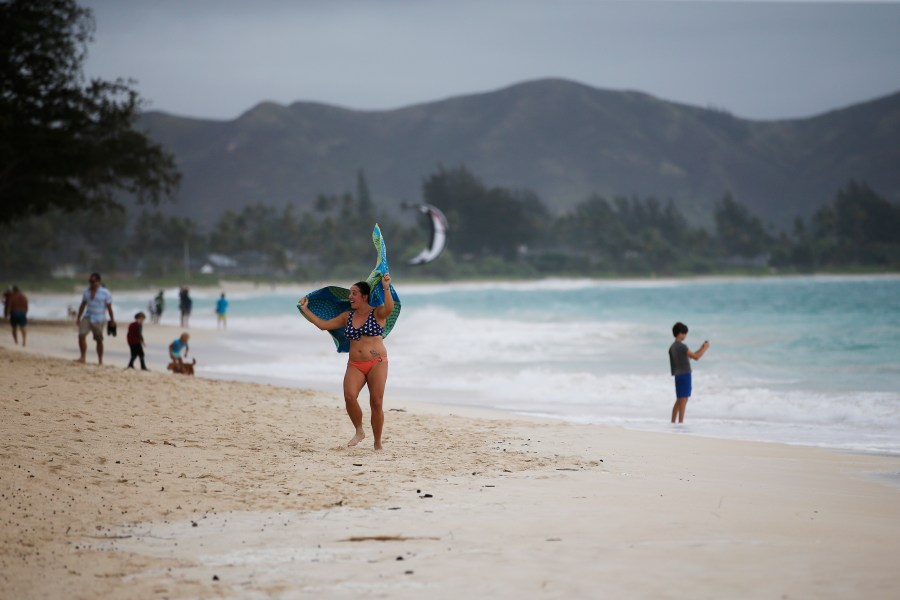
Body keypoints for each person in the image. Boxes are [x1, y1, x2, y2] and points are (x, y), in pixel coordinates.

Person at [298, 273, 394, 450]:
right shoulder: (347, 316)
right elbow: (323, 325)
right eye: (350, 293)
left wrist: (386, 287)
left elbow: (389, 308)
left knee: (377, 402)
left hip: (377, 362)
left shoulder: (377, 312)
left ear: (364, 296)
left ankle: (378, 442)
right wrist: (306, 310)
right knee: (349, 396)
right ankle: (359, 430)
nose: (350, 297)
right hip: (355, 364)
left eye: (354, 293)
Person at [668, 322, 710, 424]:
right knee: (683, 399)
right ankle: (681, 422)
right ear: (680, 333)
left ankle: (673, 422)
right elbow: (696, 357)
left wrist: (701, 348)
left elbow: (689, 357)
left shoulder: (672, 347)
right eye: (684, 333)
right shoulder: (682, 346)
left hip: (678, 375)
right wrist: (705, 348)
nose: (685, 336)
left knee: (679, 400)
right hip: (685, 374)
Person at [76, 273, 115, 364]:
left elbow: (109, 307)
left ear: (98, 281)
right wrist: (78, 317)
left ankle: (100, 360)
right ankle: (83, 357)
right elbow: (82, 305)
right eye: (90, 281)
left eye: (93, 281)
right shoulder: (86, 291)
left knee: (98, 340)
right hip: (87, 316)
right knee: (81, 335)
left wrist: (112, 319)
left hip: (99, 319)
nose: (92, 283)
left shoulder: (105, 292)